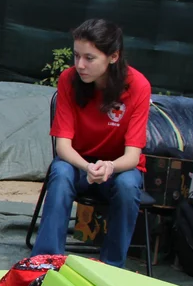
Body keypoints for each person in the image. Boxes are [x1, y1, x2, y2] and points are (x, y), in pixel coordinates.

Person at [30, 18, 151, 268]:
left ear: (113, 57)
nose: (80, 65)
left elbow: (132, 156)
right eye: (76, 56)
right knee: (61, 171)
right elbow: (63, 147)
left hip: (117, 169)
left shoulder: (138, 86)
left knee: (130, 184)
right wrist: (87, 167)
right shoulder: (68, 80)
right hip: (78, 165)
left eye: (89, 58)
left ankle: (111, 267)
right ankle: (44, 262)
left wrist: (108, 167)